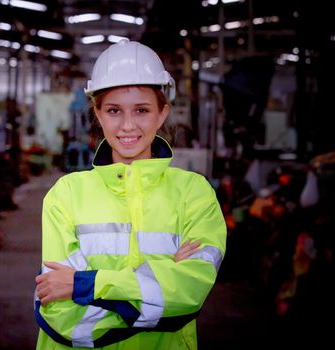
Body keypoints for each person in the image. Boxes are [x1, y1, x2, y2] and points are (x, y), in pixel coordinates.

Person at [34, 39, 226, 349]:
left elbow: (190, 293)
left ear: (162, 113)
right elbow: (61, 315)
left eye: (141, 110)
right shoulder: (66, 195)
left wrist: (85, 284)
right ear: (97, 112)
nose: (127, 126)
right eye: (113, 110)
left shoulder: (193, 194)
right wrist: (161, 287)